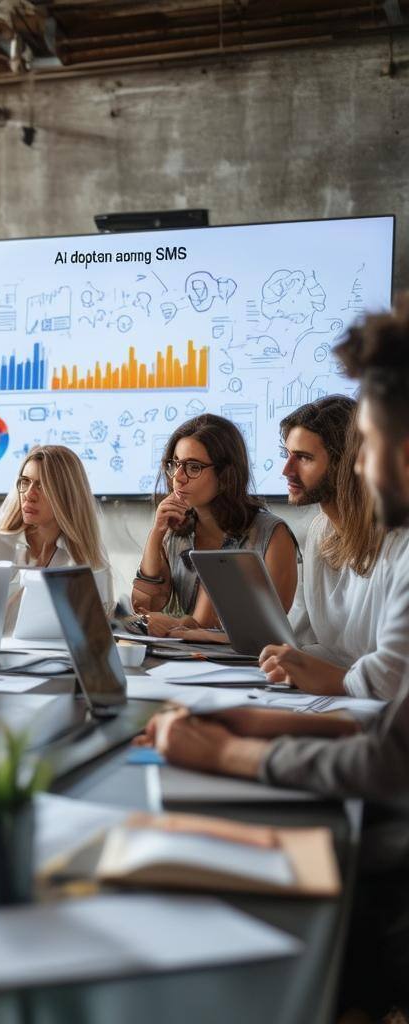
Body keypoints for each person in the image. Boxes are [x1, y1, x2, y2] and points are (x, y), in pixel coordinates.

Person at [142, 299, 409, 1018]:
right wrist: (255, 722)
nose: (364, 464)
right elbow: (388, 723)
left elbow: (386, 755)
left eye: (370, 444)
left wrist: (229, 753)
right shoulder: (322, 534)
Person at [274, 395, 409, 698]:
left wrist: (333, 678)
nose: (286, 470)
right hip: (344, 697)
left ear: (344, 464)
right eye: (287, 454)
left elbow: (394, 673)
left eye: (303, 458)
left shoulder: (398, 540)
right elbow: (307, 637)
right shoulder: (319, 531)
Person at [131, 413, 298, 636]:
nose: (178, 477)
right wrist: (156, 534)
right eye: (175, 464)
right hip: (188, 653)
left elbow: (269, 632)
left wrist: (182, 628)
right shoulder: (176, 532)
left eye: (193, 467)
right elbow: (144, 609)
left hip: (250, 658)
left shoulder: (273, 534)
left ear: (226, 474)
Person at [0, 445, 115, 622]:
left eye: (43, 485)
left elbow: (101, 629)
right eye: (25, 482)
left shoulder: (89, 555)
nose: (29, 494)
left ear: (68, 494)